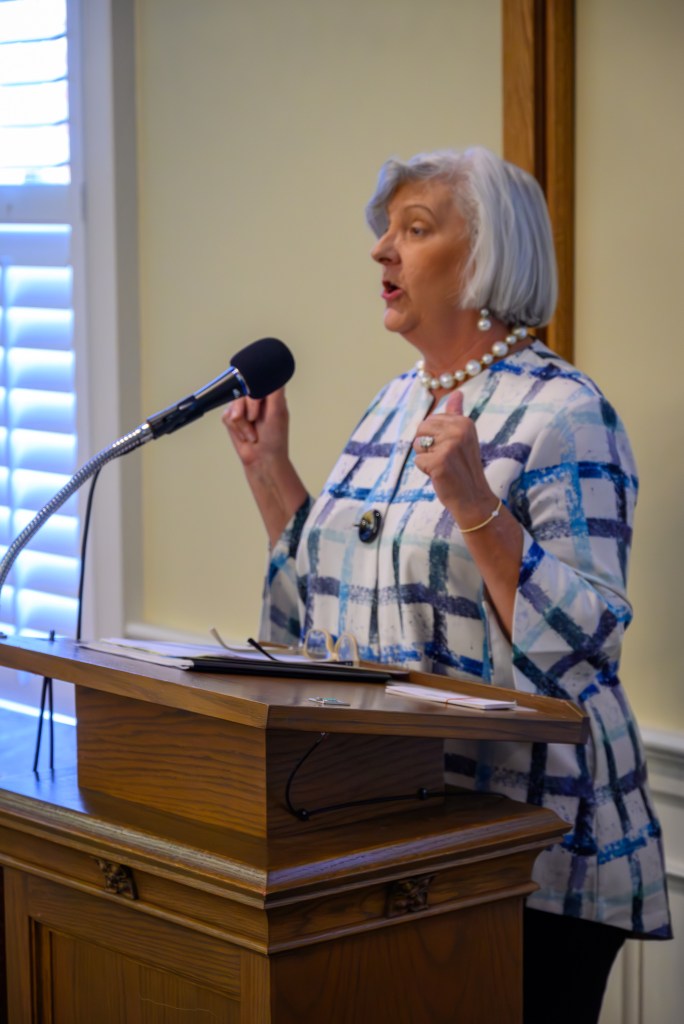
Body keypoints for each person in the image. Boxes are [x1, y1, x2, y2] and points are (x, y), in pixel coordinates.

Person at [223, 146, 671, 1023]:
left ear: (488, 259)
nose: (381, 252)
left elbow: (585, 644)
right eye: (385, 232)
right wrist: (270, 472)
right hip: (414, 834)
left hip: (538, 855)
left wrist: (471, 499)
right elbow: (326, 604)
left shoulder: (567, 413)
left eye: (415, 230)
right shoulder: (395, 404)